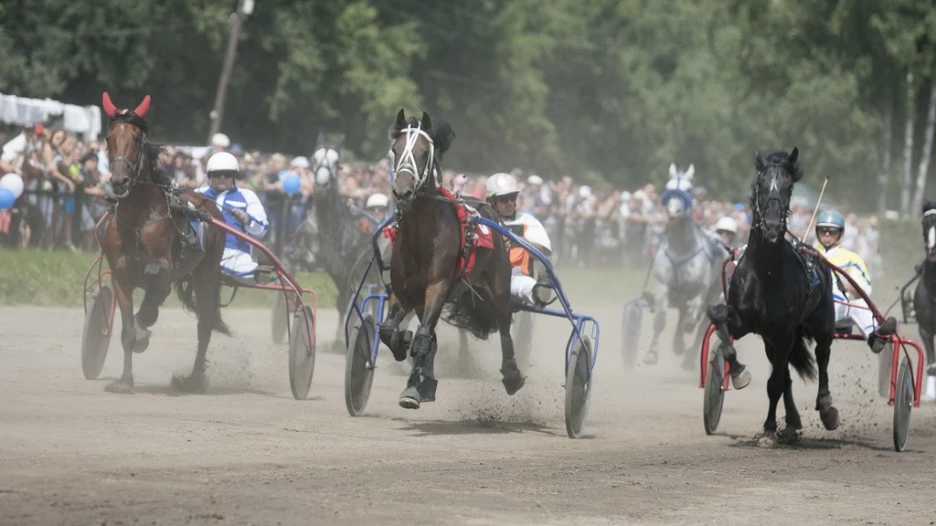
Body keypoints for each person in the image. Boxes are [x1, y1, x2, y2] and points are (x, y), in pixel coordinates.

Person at [812, 210, 896, 354]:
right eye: (823, 230)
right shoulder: (806, 253)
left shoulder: (852, 259)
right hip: (807, 311)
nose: (827, 234)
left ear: (841, 233)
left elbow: (864, 293)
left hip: (836, 310)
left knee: (860, 304)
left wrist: (849, 286)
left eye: (832, 231)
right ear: (817, 231)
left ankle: (874, 337)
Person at [196, 152, 269, 282]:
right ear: (210, 175)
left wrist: (248, 220)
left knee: (255, 274)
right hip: (199, 251)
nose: (222, 178)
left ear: (234, 176)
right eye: (218, 174)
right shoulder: (197, 195)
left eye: (227, 174)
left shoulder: (247, 195)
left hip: (233, 254)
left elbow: (262, 229)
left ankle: (257, 272)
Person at [485, 172, 553, 307]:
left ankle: (538, 292)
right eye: (504, 199)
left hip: (514, 277)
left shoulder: (527, 221)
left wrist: (521, 242)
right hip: (484, 278)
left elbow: (542, 254)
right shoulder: (482, 223)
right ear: (491, 201)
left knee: (521, 284)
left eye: (512, 197)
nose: (510, 203)